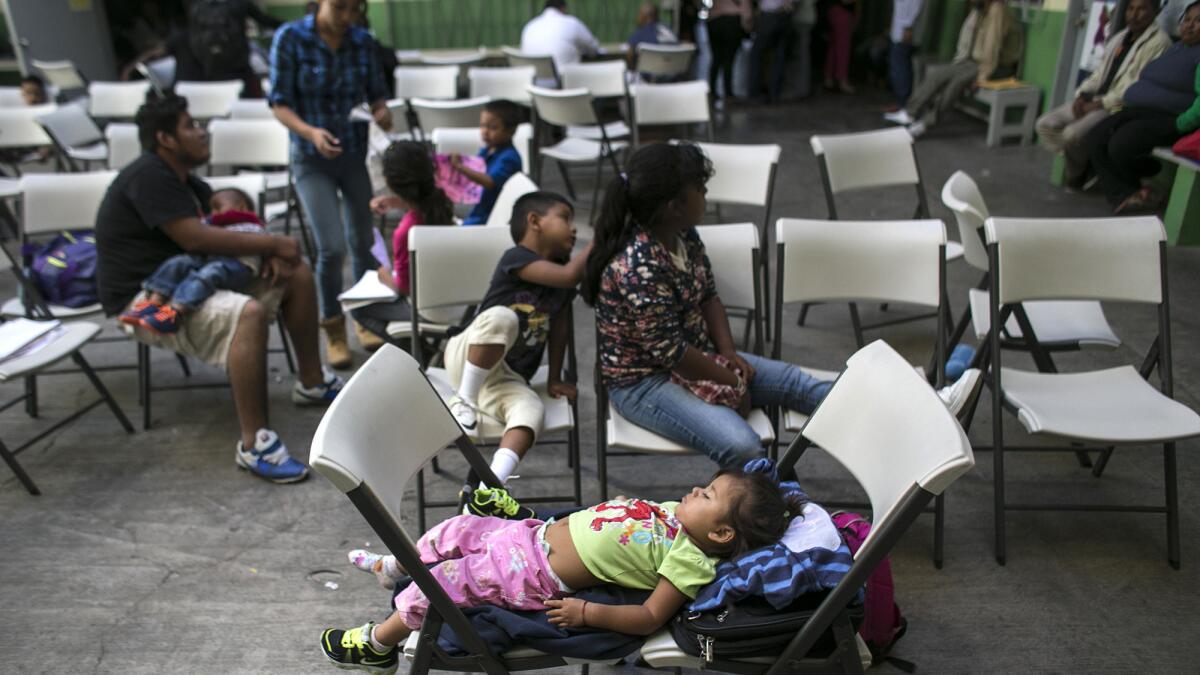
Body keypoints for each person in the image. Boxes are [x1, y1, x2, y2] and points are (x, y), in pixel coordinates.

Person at [582, 143, 980, 468]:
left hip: (697, 357)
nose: (706, 196)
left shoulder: (683, 235)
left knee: (797, 384)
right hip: (644, 382)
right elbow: (673, 355)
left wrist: (727, 354)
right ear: (674, 205)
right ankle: (776, 518)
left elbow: (709, 296)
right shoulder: (637, 266)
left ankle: (924, 413)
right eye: (699, 190)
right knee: (743, 447)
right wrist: (732, 380)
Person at [320, 466, 798, 671]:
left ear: (721, 535)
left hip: (532, 572)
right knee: (456, 530)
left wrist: (587, 614)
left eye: (708, 495)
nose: (696, 490)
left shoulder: (691, 561)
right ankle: (396, 567)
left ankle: (378, 644)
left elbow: (650, 616)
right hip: (531, 532)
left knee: (445, 584)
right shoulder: (679, 513)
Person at [95, 94, 342, 484]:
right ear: (166, 139)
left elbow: (224, 230)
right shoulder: (149, 175)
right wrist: (272, 245)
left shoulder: (187, 181)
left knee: (295, 272)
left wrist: (269, 253)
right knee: (248, 313)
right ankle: (254, 444)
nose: (201, 131)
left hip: (196, 274)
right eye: (190, 125)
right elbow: (194, 238)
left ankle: (311, 382)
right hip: (148, 296)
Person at [442, 192, 591, 497]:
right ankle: (463, 400)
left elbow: (559, 330)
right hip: (467, 355)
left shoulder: (562, 284)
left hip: (505, 379)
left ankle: (490, 487)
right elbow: (568, 274)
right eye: (565, 218)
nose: (574, 229)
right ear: (534, 221)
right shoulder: (517, 258)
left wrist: (553, 378)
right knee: (503, 318)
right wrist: (602, 237)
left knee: (531, 411)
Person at [269, 0, 393, 368]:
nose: (346, 18)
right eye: (339, 7)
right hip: (311, 160)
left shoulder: (362, 41)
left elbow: (376, 96)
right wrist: (310, 132)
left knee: (362, 243)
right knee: (331, 248)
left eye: (354, 9)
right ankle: (333, 327)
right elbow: (279, 103)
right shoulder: (290, 38)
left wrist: (382, 111)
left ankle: (364, 316)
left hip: (353, 154)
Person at [1036, 0, 1170, 188]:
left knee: (1071, 135)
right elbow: (1098, 74)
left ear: (1155, 12)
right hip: (1094, 99)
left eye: (1142, 9)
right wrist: (1082, 95)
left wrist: (1100, 104)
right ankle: (1086, 164)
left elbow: (1138, 87)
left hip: (1117, 106)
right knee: (1044, 125)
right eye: (1131, 8)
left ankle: (1077, 173)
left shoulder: (1160, 43)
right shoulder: (1120, 37)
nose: (1134, 14)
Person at [1087, 0, 1200, 212]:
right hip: (1137, 110)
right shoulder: (1176, 48)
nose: (1189, 25)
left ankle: (1140, 182)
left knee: (1120, 145)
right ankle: (1128, 195)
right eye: (1187, 19)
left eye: (1198, 21)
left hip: (1169, 117)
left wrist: (1181, 124)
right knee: (1095, 136)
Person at [117, 187, 268, 334]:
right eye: (211, 209)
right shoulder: (211, 224)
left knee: (208, 274)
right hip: (209, 258)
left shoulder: (253, 225)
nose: (213, 213)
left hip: (237, 266)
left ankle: (175, 312)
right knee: (179, 262)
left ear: (241, 207)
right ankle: (154, 302)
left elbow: (269, 243)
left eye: (218, 207)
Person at [349, 141, 455, 339]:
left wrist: (383, 274)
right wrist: (397, 202)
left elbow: (403, 288)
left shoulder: (406, 231)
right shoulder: (442, 205)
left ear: (389, 182)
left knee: (358, 309)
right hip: (458, 304)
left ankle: (414, 351)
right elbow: (422, 200)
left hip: (427, 311)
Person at [883, 0, 1021, 138]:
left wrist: (981, 77)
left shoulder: (998, 9)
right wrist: (958, 64)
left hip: (996, 67)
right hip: (972, 63)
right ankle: (910, 113)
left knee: (955, 84)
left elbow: (992, 48)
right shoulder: (980, 9)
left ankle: (926, 123)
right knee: (936, 74)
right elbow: (967, 39)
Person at [122, 0, 281, 98]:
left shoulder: (193, 17)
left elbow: (156, 52)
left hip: (206, 84)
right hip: (237, 73)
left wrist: (130, 67)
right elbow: (266, 21)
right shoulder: (240, 5)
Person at [451, 100, 525, 226]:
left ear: (511, 131)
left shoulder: (509, 158)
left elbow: (490, 182)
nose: (485, 131)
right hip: (477, 203)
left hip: (486, 215)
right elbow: (476, 168)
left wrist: (460, 167)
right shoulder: (488, 149)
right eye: (483, 125)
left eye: (493, 127)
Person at [520, 0, 601, 69]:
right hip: (566, 84)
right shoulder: (571, 23)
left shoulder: (529, 26)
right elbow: (594, 49)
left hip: (532, 85)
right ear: (563, 8)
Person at [749, 0, 796, 104]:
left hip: (770, 15)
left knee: (757, 55)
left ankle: (755, 92)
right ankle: (775, 93)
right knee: (779, 56)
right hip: (785, 15)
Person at [706, 0, 752, 102]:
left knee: (716, 58)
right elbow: (746, 11)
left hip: (714, 21)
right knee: (729, 59)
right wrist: (747, 28)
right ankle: (728, 93)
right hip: (732, 22)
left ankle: (712, 90)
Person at [888, 0, 925, 111]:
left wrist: (908, 26)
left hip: (905, 32)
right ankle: (902, 103)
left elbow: (915, 4)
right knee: (902, 67)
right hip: (902, 30)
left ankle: (903, 104)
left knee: (900, 69)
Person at [823, 0, 858, 94]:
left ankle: (829, 78)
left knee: (834, 48)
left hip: (835, 11)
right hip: (842, 12)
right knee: (843, 48)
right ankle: (842, 80)